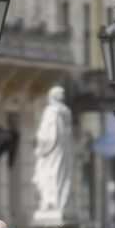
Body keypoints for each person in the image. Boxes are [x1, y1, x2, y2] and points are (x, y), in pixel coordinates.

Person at [32, 85, 73, 217]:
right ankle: (59, 201)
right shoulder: (66, 111)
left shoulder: (51, 111)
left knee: (50, 173)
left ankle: (51, 201)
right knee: (60, 174)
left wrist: (41, 148)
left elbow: (49, 134)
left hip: (53, 150)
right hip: (63, 148)